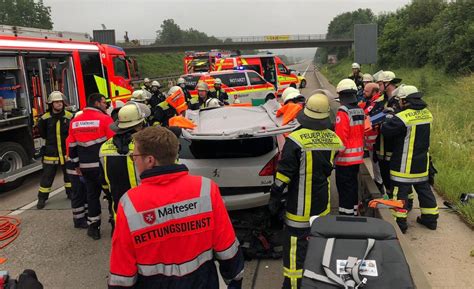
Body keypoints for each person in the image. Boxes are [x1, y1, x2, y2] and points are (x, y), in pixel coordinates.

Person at [108, 126, 244, 289]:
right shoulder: (206, 189)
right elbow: (227, 248)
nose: (133, 160)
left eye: (134, 156)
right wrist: (234, 282)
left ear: (150, 160)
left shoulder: (129, 203)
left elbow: (122, 271)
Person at [269, 94, 343, 289]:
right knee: (318, 248)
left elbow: (283, 177)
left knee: (295, 254)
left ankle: (293, 285)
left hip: (298, 212)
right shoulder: (333, 139)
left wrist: (275, 199)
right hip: (322, 209)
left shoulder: (295, 140)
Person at [381, 85, 438, 233]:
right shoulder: (428, 114)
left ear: (405, 101)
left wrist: (390, 116)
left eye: (400, 101)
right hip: (422, 164)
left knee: (399, 193)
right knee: (424, 190)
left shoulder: (402, 118)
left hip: (404, 165)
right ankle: (430, 219)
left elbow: (386, 130)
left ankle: (400, 223)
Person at [68, 93, 115, 240]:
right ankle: (115, 226)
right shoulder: (105, 119)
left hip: (85, 168)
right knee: (111, 196)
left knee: (92, 196)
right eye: (103, 102)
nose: (105, 105)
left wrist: (76, 164)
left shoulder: (75, 121)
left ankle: (94, 228)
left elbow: (71, 145)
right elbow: (113, 143)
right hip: (103, 167)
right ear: (96, 103)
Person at [99, 102, 150, 233]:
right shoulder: (145, 145)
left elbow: (103, 180)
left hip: (119, 210)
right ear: (139, 125)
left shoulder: (105, 147)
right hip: (145, 211)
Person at [36, 91, 73, 209]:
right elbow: (43, 134)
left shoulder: (69, 116)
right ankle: (42, 198)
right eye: (56, 102)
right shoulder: (44, 118)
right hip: (51, 152)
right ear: (51, 104)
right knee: (47, 176)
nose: (59, 104)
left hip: (66, 151)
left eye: (60, 102)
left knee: (69, 175)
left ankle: (70, 193)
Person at [334, 79, 366, 216]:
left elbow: (340, 140)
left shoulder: (343, 112)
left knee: (344, 189)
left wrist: (332, 156)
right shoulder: (360, 110)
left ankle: (345, 216)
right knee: (352, 187)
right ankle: (353, 212)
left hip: (344, 159)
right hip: (357, 158)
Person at [374, 71, 402, 195]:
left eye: (380, 83)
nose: (378, 86)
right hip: (381, 145)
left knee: (396, 176)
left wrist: (387, 116)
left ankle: (403, 200)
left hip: (394, 145)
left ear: (387, 83)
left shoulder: (400, 100)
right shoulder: (382, 100)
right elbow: (373, 117)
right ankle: (390, 197)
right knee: (384, 172)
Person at [361, 82, 385, 193]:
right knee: (374, 163)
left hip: (377, 141)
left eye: (366, 91)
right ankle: (378, 182)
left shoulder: (380, 103)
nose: (363, 92)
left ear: (374, 92)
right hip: (370, 141)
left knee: (378, 164)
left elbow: (377, 118)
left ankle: (380, 185)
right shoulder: (369, 102)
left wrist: (366, 118)